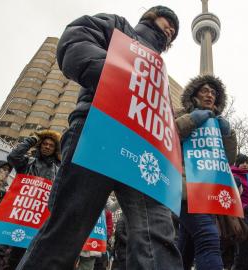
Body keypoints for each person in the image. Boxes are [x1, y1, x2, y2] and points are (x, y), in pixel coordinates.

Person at [17, 6, 183, 270]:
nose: (170, 31)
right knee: (68, 226)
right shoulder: (117, 27)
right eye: (167, 23)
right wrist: (117, 75)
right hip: (99, 126)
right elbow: (75, 42)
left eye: (174, 33)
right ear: (150, 17)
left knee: (158, 234)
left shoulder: (159, 72)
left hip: (146, 150)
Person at [175, 75, 238, 270]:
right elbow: (168, 137)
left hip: (209, 192)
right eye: (204, 91)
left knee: (186, 248)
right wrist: (192, 120)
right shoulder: (179, 113)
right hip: (186, 188)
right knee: (208, 237)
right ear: (194, 95)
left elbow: (227, 160)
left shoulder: (218, 124)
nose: (209, 95)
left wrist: (227, 135)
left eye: (213, 92)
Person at [5, 130, 61, 269]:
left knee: (28, 257)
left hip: (39, 218)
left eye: (51, 145)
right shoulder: (28, 162)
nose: (47, 147)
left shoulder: (58, 169)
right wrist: (33, 139)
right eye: (45, 144)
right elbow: (13, 157)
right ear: (40, 145)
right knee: (6, 256)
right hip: (18, 214)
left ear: (55, 150)